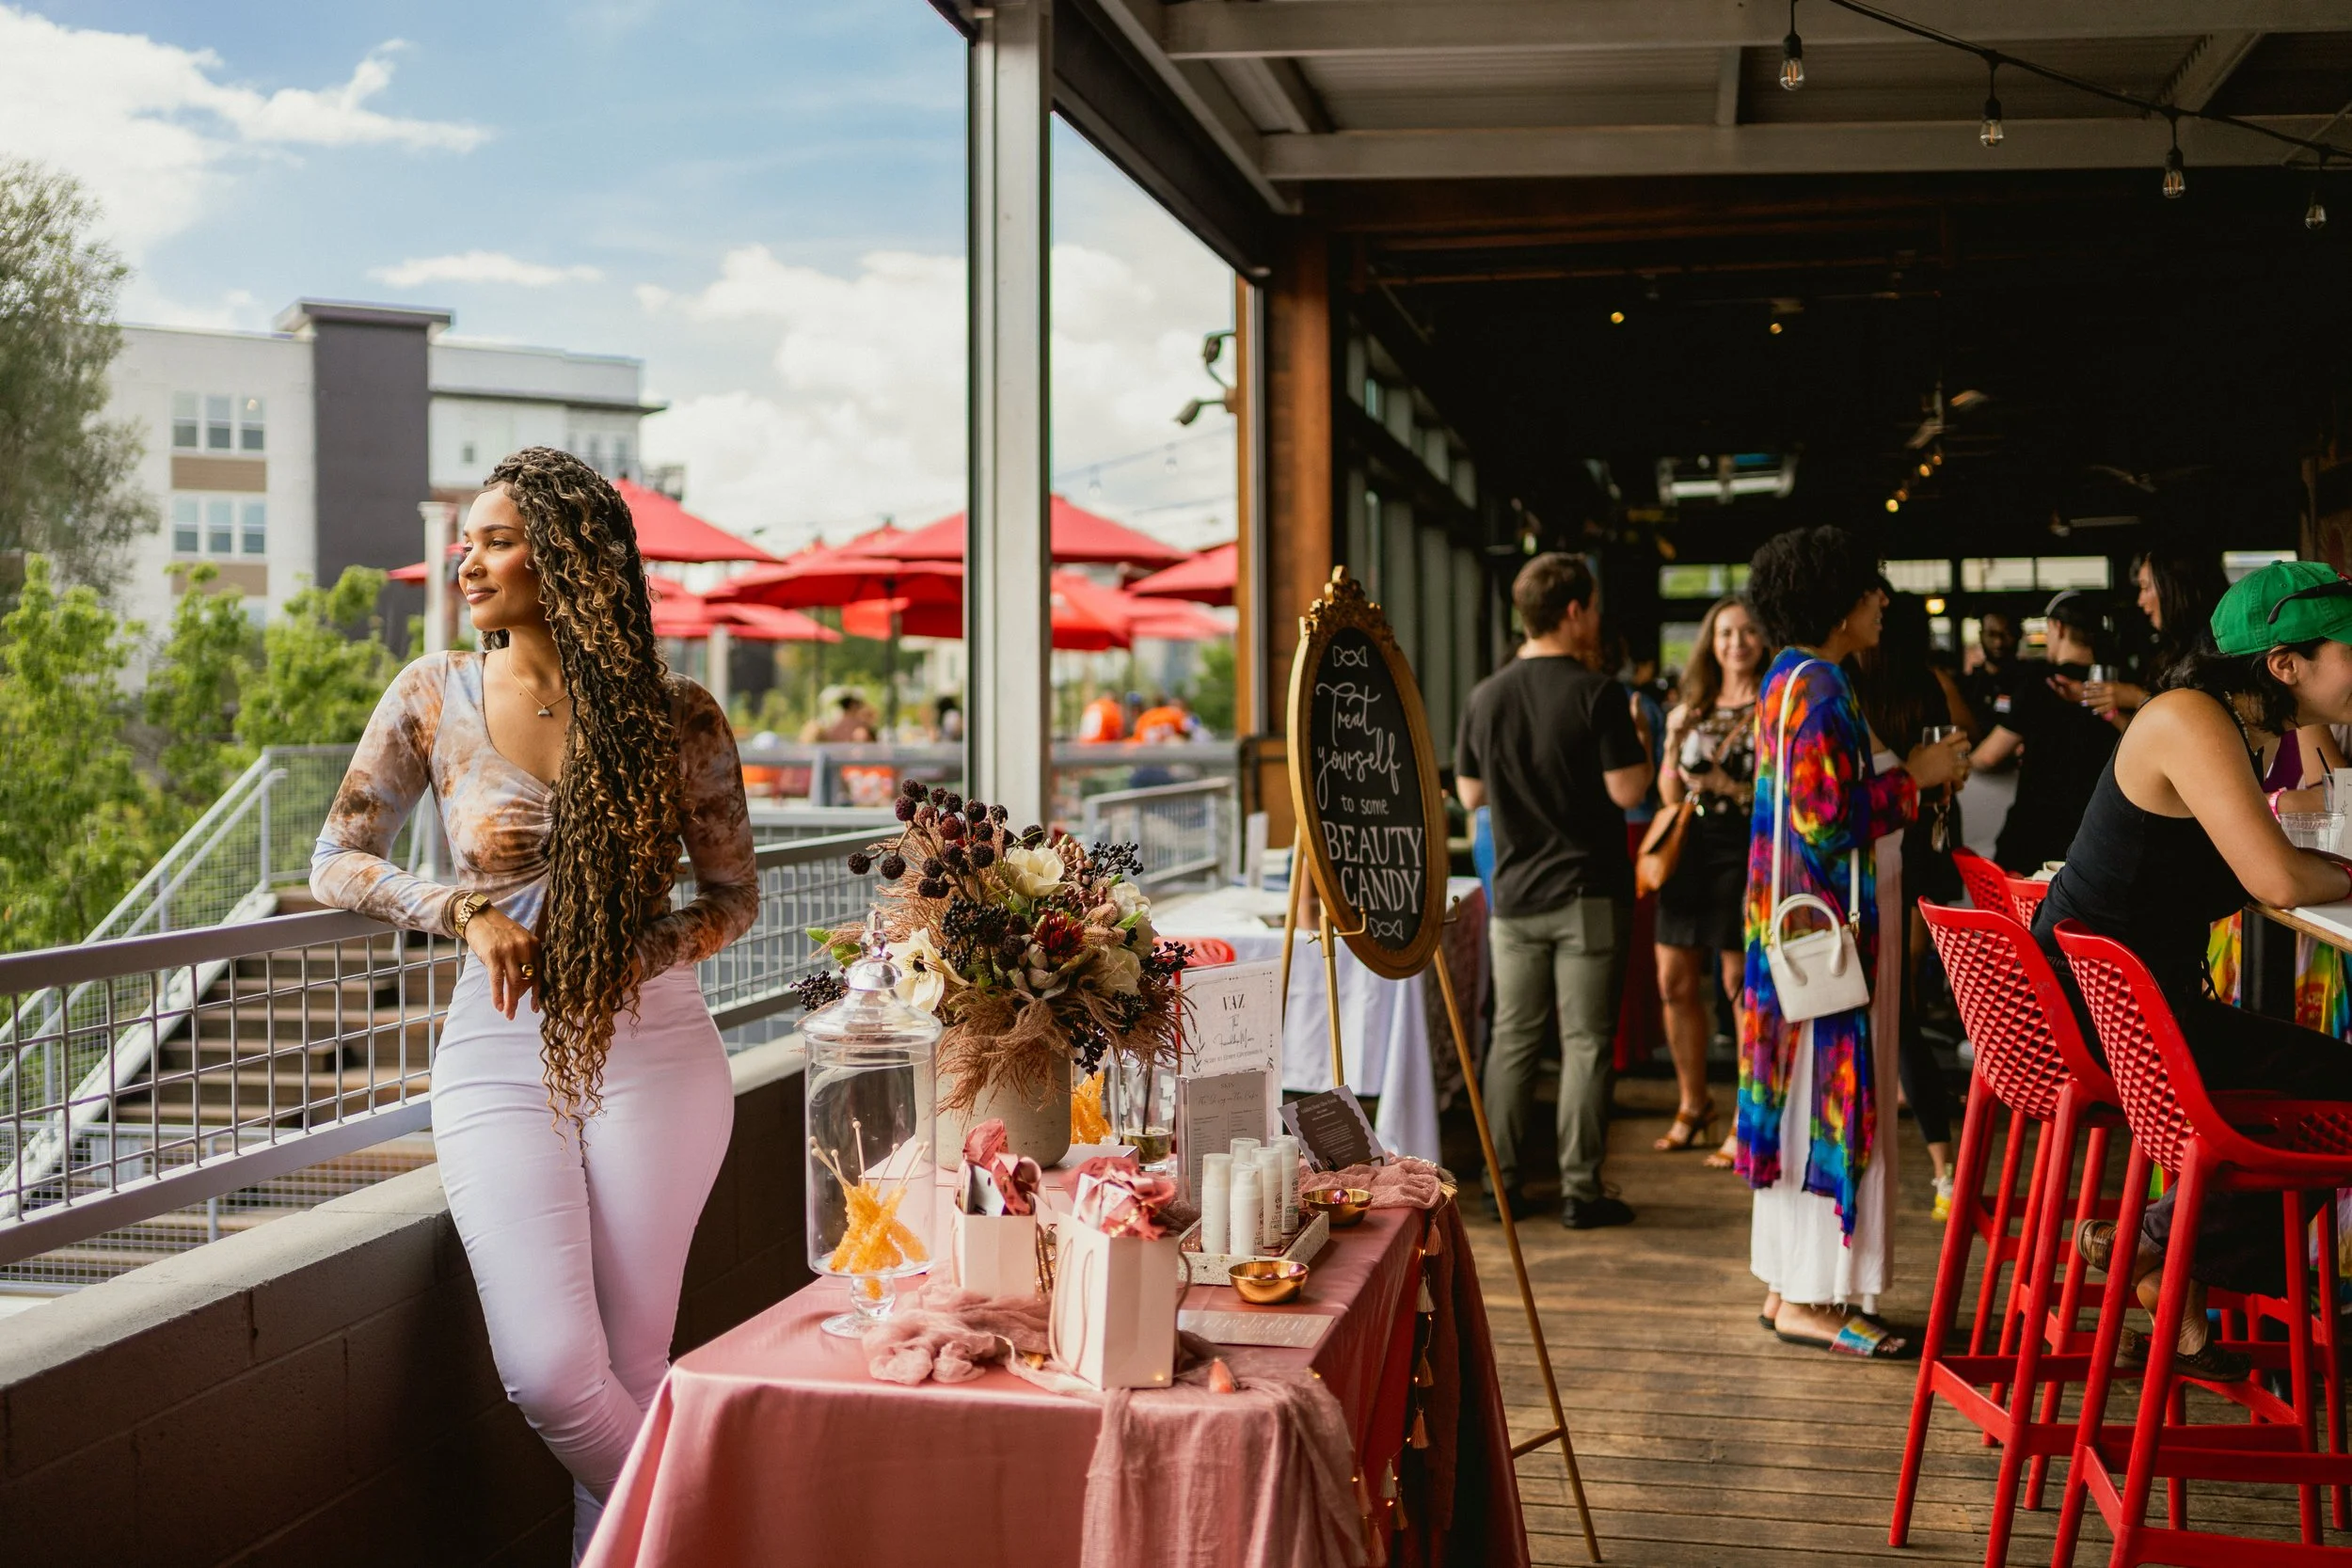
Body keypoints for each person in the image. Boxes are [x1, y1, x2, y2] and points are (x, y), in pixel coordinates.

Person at [310, 449, 756, 1560]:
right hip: (498, 1052)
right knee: (555, 1371)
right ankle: (738, 1524)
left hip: (655, 1045)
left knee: (634, 1364)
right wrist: (460, 909)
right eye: (468, 537)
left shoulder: (679, 714)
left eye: (496, 538)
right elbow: (337, 857)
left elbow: (734, 895)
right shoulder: (434, 690)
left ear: (569, 556)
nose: (469, 558)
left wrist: (637, 947)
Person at [2033, 559, 2352, 1376]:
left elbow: (2313, 817)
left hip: (2137, 1005)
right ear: (2283, 665)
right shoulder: (2189, 718)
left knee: (2326, 1084)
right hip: (2109, 1016)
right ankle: (2166, 1248)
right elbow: (2278, 876)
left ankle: (2171, 1263)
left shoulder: (2249, 725)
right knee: (2335, 1093)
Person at [1739, 526, 1970, 1356]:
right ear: (1837, 601)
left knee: (1804, 1105)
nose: (1883, 600)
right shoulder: (1825, 689)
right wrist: (1920, 776)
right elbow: (1828, 818)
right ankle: (1812, 1301)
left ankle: (1790, 1287)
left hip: (1799, 940)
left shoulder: (1787, 681)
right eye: (1871, 587)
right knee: (1828, 1110)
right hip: (1836, 945)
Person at [1455, 552, 1653, 1229]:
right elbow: (1628, 790)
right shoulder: (1597, 692)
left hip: (1514, 896)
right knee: (1587, 1043)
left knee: (1512, 1039)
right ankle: (1579, 1189)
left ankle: (1500, 1184)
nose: (1597, 619)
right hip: (1587, 894)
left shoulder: (1486, 695)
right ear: (1573, 612)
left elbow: (1471, 794)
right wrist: (1647, 743)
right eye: (1593, 607)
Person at [1850, 587, 1971, 1221]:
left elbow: (1953, 763)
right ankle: (1942, 1169)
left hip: (1874, 860)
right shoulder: (1914, 681)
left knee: (1889, 1011)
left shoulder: (1840, 686)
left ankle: (1934, 1165)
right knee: (1896, 1010)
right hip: (1904, 850)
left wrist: (1942, 769)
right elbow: (1956, 761)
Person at [1652, 595, 1768, 1154]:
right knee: (1673, 981)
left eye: (1747, 632)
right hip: (1688, 851)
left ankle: (1748, 1116)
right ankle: (1694, 1102)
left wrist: (1728, 788)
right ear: (1711, 642)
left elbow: (1777, 796)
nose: (1736, 642)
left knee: (1735, 984)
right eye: (1725, 633)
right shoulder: (1692, 706)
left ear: (1762, 639)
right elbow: (1669, 796)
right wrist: (1672, 742)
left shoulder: (1773, 705)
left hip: (1744, 849)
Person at [1976, 590, 2122, 874]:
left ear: (2058, 627)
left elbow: (1989, 756)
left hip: (2035, 834)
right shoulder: (2115, 688)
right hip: (2095, 837)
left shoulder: (2041, 684)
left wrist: (1961, 761)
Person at [2081, 546, 2229, 721]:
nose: (2140, 600)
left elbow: (2194, 722)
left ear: (2173, 588)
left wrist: (2136, 697)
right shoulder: (2179, 645)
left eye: (2145, 587)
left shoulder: (2210, 650)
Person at [1133, 692, 1198, 744]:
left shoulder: (1146, 716)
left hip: (1150, 751)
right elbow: (1191, 727)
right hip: (1165, 751)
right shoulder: (1173, 712)